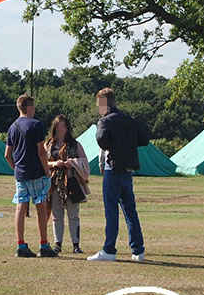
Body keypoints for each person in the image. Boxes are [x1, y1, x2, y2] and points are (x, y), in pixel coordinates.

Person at [88, 88, 148, 262]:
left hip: (112, 168)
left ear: (104, 103)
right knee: (130, 211)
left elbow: (101, 140)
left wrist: (115, 144)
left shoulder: (105, 121)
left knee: (111, 211)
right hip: (128, 170)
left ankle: (109, 249)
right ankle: (138, 250)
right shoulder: (129, 120)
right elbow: (144, 139)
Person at [4, 94, 56, 258]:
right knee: (40, 206)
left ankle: (21, 244)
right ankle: (44, 244)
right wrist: (47, 170)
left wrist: (16, 168)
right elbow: (41, 151)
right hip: (36, 172)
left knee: (20, 207)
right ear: (29, 107)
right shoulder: (36, 124)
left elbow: (7, 154)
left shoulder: (12, 127)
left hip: (20, 174)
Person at [45, 114, 89, 254]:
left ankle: (76, 244)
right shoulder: (49, 145)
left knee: (73, 214)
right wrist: (54, 163)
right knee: (56, 215)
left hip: (72, 182)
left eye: (63, 126)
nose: (61, 129)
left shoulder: (75, 145)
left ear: (67, 128)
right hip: (54, 183)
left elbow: (84, 163)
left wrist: (73, 163)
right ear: (54, 127)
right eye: (58, 126)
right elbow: (42, 163)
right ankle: (57, 244)